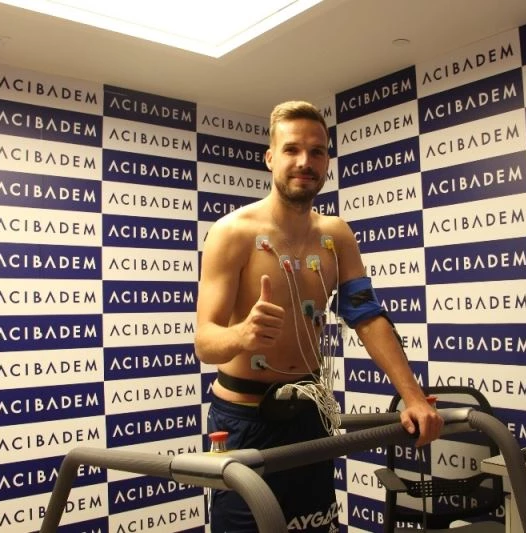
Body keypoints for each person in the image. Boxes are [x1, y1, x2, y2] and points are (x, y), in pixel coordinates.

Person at [195, 100, 443, 532]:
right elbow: (205, 342)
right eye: (291, 149)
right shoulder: (232, 232)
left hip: (310, 414)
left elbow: (367, 317)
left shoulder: (336, 235)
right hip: (245, 420)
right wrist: (242, 335)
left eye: (317, 151)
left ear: (327, 160)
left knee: (313, 526)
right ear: (270, 157)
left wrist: (414, 397)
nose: (304, 162)